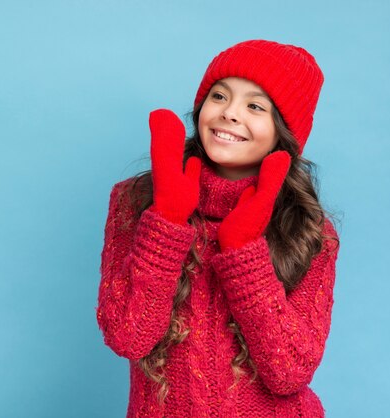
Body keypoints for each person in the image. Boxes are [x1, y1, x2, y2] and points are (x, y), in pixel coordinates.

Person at [96, 40, 341, 417]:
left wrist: (245, 253)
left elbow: (290, 373)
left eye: (255, 106)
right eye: (219, 95)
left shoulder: (309, 229)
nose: (229, 113)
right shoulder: (136, 201)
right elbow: (129, 336)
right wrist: (166, 222)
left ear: (283, 132)